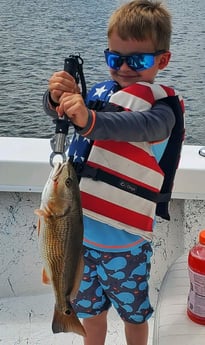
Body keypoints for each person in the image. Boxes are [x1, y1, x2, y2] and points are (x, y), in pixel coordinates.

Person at [43, 1, 185, 344]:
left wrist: (89, 119)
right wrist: (57, 98)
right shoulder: (101, 94)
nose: (124, 68)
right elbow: (65, 116)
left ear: (162, 60)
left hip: (126, 244)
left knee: (134, 316)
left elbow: (136, 125)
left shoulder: (161, 109)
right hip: (78, 240)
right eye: (115, 58)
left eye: (138, 60)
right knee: (89, 315)